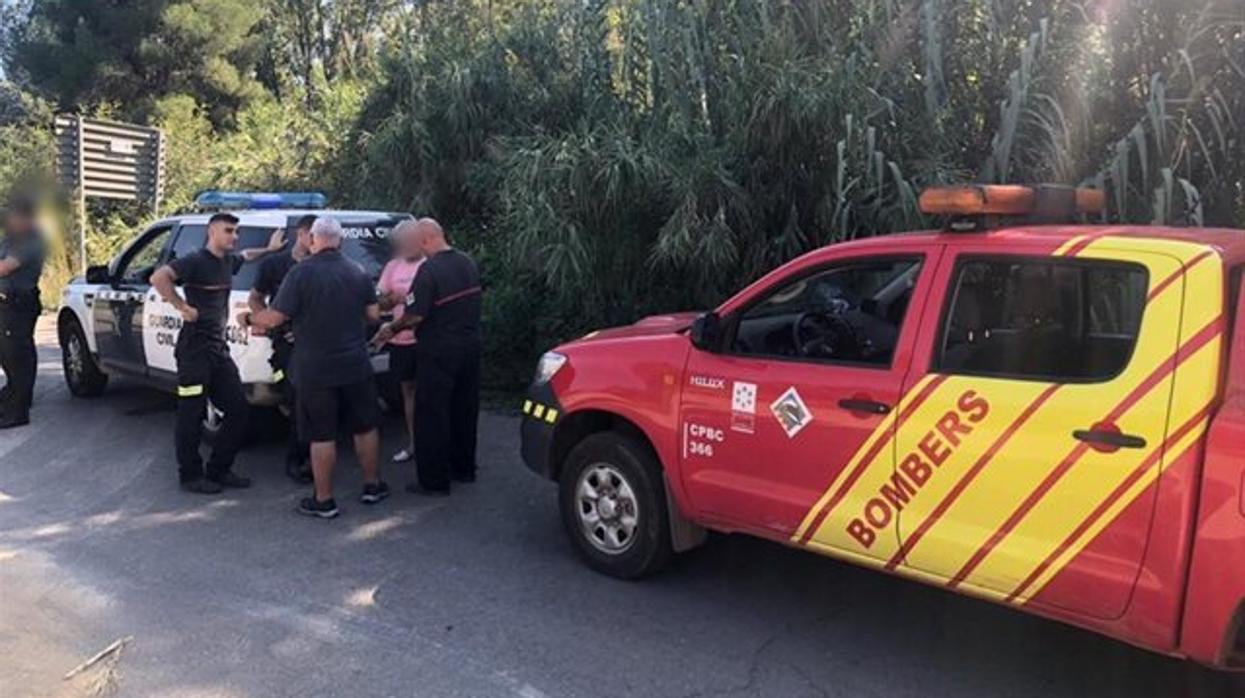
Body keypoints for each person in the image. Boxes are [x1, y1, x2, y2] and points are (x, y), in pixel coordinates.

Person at [240, 217, 389, 519]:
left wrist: (248, 319)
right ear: (341, 241)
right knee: (365, 425)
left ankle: (324, 500)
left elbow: (274, 318)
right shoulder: (357, 271)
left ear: (313, 240)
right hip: (356, 364)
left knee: (322, 434)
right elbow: (373, 314)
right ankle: (373, 486)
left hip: (315, 367)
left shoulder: (300, 273)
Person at [150, 213, 284, 494]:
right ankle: (190, 475)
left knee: (238, 409)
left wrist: (269, 250)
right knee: (191, 414)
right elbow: (159, 276)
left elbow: (246, 255)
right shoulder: (196, 260)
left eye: (236, 231)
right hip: (193, 352)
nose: (234, 237)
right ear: (212, 232)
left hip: (218, 351)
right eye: (229, 231)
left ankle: (219, 469)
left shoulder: (226, 260)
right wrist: (181, 306)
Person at [372, 218, 481, 496]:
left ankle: (433, 480)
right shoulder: (466, 262)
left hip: (439, 350)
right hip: (470, 348)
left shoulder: (429, 270)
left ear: (424, 240)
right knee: (464, 409)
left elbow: (415, 314)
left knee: (431, 413)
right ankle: (463, 468)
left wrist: (390, 329)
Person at [249, 214, 315, 483]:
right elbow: (255, 297)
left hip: (318, 344)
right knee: (295, 398)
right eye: (312, 236)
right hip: (286, 345)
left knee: (311, 402)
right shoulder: (276, 264)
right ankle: (297, 459)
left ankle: (311, 455)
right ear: (301, 234)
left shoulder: (322, 265)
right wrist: (267, 322)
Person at [375, 220, 426, 463]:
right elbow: (381, 302)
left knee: (430, 392)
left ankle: (435, 444)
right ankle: (414, 443)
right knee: (408, 393)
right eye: (401, 242)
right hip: (400, 339)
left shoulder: (430, 264)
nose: (406, 245)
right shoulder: (393, 267)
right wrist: (392, 300)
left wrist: (408, 299)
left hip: (426, 340)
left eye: (410, 240)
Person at [0, 194, 47, 429]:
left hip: (19, 304)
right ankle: (12, 397)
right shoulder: (11, 238)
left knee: (17, 356)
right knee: (8, 355)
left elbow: (5, 268)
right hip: (7, 304)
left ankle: (18, 410)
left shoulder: (31, 239)